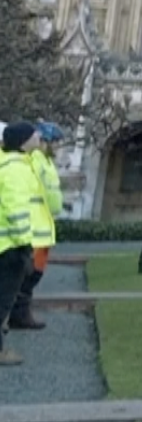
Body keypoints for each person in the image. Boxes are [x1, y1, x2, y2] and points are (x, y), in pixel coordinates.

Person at [9, 122, 62, 331]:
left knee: (32, 275)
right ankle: (19, 315)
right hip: (34, 228)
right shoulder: (36, 162)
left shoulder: (45, 162)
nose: (58, 147)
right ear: (45, 142)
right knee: (29, 275)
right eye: (55, 142)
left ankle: (20, 313)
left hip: (42, 227)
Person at [0, 123, 46, 366]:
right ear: (23, 141)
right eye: (33, 133)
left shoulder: (10, 165)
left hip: (6, 243)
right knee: (3, 300)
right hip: (11, 247)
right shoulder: (17, 169)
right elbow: (16, 210)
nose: (38, 136)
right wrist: (24, 246)